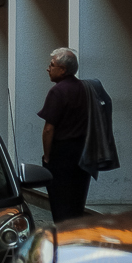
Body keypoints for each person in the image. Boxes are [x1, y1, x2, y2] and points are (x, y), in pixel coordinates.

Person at [39, 47, 91, 222]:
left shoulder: (58, 91)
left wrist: (47, 157)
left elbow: (48, 129)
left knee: (60, 202)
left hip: (61, 154)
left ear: (63, 70)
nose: (48, 68)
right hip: (82, 152)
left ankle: (63, 240)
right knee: (77, 201)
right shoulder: (85, 88)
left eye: (52, 65)